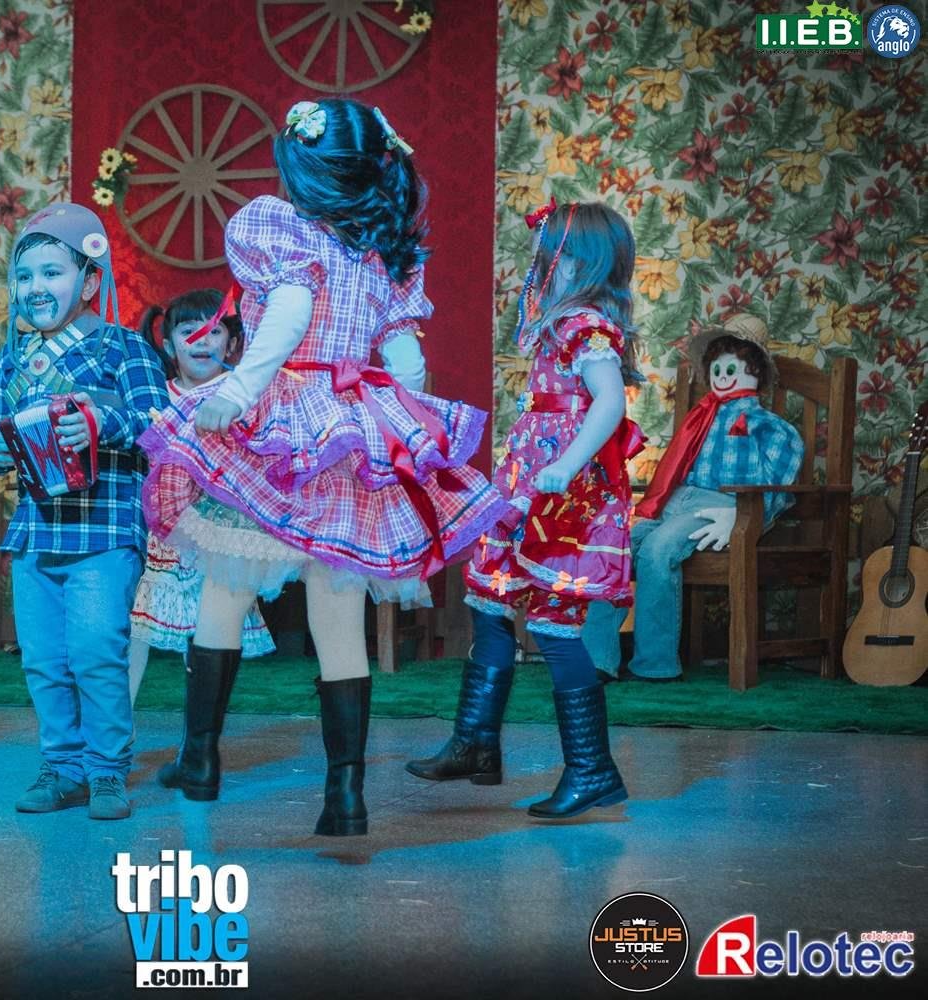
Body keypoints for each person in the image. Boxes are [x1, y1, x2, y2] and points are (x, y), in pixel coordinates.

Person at [139, 99, 507, 835]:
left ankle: (200, 759)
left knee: (224, 592)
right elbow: (405, 358)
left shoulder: (284, 228)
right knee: (338, 615)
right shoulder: (383, 254)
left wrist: (239, 390)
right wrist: (399, 420)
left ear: (308, 171)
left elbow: (290, 314)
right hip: (350, 424)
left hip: (284, 422)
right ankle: (345, 796)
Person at [409, 199, 644, 820]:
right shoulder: (557, 323)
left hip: (566, 493)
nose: (544, 265)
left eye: (555, 255)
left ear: (583, 262)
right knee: (488, 597)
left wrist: (566, 465)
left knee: (551, 623)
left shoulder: (587, 326)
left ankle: (592, 769)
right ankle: (476, 742)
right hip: (527, 484)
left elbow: (609, 402)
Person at [0, 202, 169, 821]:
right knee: (43, 660)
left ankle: (106, 771)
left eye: (51, 273)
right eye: (25, 275)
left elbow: (160, 425)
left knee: (95, 653)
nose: (36, 287)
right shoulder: (13, 357)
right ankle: (62, 768)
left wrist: (101, 425)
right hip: (35, 532)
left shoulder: (124, 348)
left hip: (104, 529)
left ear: (89, 281)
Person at [584, 316, 802, 682]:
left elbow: (779, 482)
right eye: (717, 368)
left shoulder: (771, 427)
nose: (722, 376)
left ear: (755, 372)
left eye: (731, 369)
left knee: (658, 550)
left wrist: (746, 515)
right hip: (677, 504)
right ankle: (596, 659)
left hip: (720, 507)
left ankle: (656, 664)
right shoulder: (700, 418)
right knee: (615, 548)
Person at [128, 288, 275, 708]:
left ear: (232, 343)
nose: (201, 341)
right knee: (134, 631)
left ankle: (199, 732)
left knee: (209, 633)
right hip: (156, 535)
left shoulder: (239, 396)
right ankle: (115, 730)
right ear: (169, 343)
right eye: (189, 331)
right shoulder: (155, 395)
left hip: (216, 533)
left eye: (214, 332)